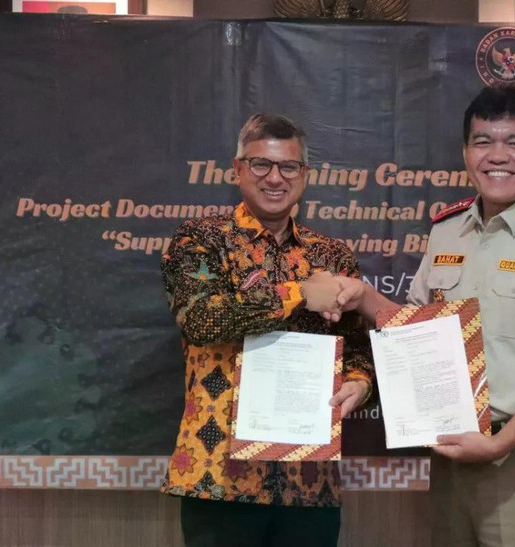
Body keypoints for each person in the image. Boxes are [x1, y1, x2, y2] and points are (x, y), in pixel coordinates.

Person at [336, 84, 515, 546]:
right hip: (449, 454)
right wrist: (363, 296)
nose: (497, 156)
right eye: (483, 141)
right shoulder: (448, 232)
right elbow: (414, 333)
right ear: (466, 152)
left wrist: (500, 444)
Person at [160, 113, 373, 546]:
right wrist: (299, 294)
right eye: (261, 164)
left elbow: (355, 348)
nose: (274, 177)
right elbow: (201, 319)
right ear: (238, 169)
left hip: (309, 483)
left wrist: (360, 382)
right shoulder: (199, 240)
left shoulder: (332, 255)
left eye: (288, 167)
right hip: (219, 478)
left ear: (304, 175)